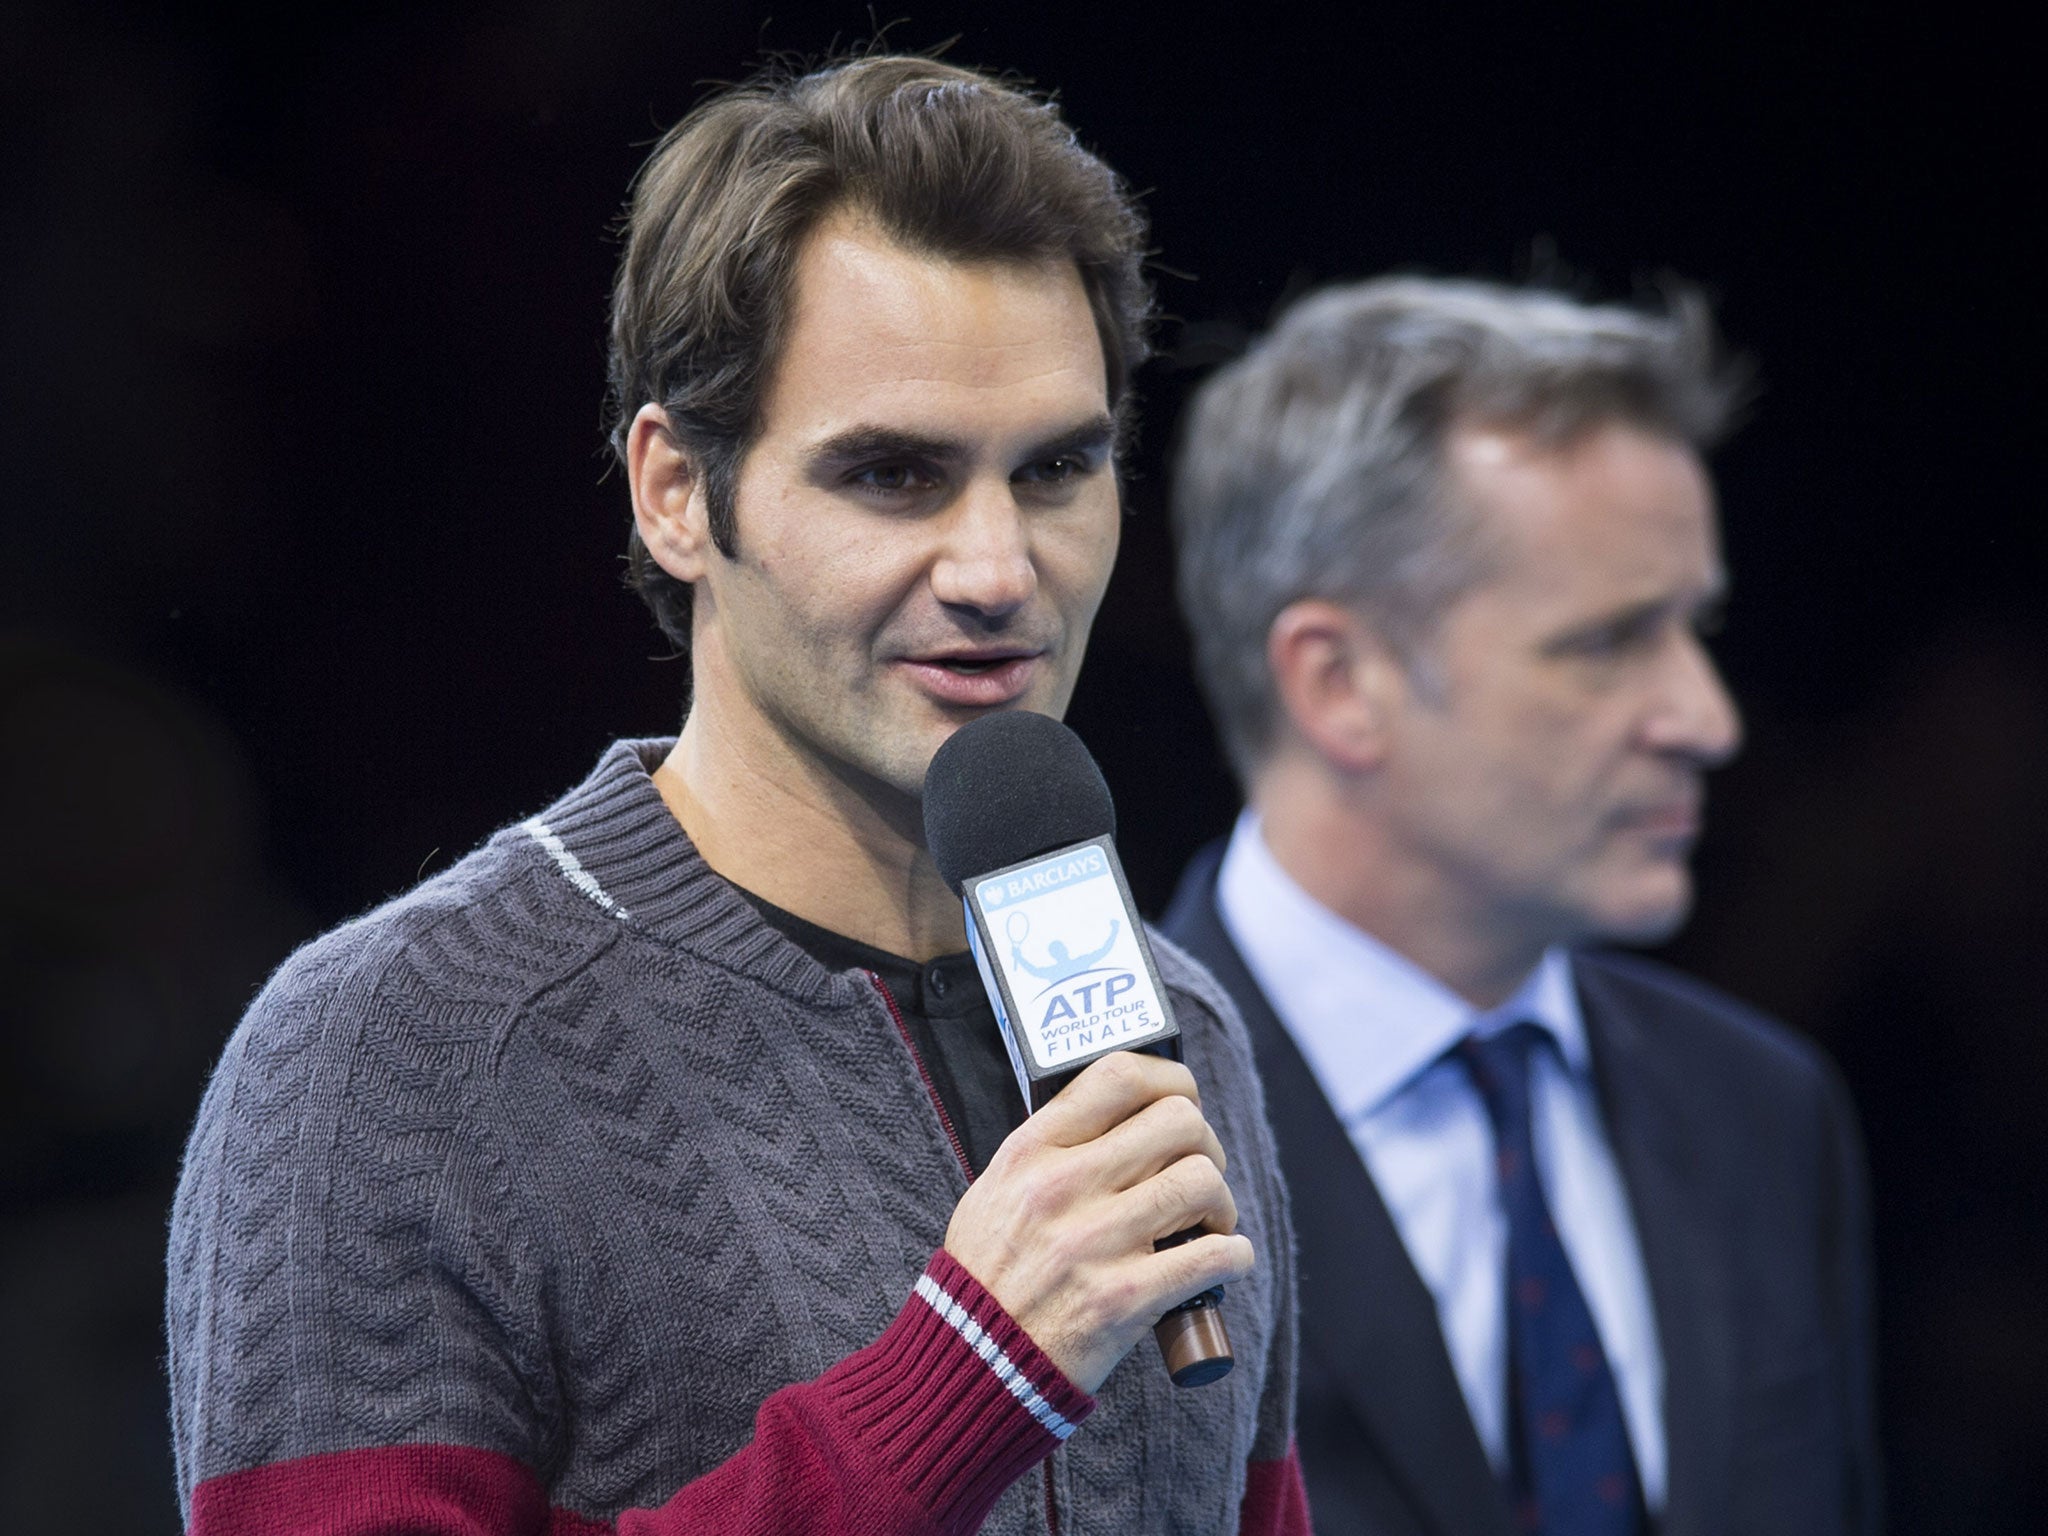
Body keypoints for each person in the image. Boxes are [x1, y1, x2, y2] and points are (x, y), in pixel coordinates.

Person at [166, 56, 1307, 1536]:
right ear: (675, 493)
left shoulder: (1178, 1032)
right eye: (892, 475)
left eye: (1054, 470)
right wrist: (957, 1386)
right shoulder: (393, 1048)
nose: (997, 570)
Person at [1161, 277, 1878, 1535]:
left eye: (1693, 628)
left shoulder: (1761, 1111)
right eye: (1606, 642)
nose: (1705, 720)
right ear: (1338, 683)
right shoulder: (1071, 1142)